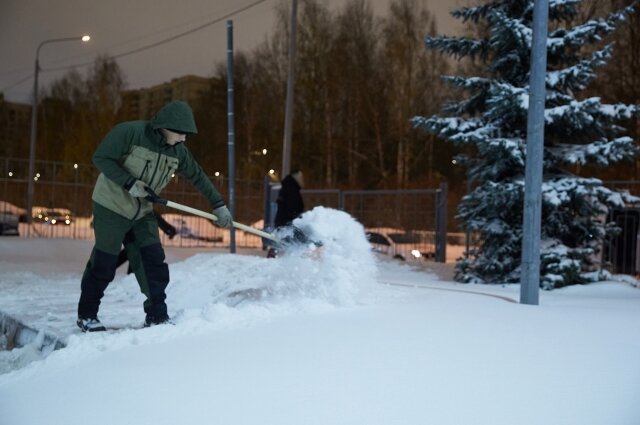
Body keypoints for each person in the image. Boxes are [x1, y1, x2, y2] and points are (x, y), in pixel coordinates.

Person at [76, 100, 232, 332]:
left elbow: (198, 176)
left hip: (142, 211)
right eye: (181, 133)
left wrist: (218, 205)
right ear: (165, 127)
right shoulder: (130, 133)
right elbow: (101, 158)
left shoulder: (178, 151)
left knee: (153, 261)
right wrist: (129, 183)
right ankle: (87, 315)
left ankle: (157, 315)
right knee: (105, 264)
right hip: (111, 206)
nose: (184, 139)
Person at [268, 169, 305, 258]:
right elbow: (291, 207)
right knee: (285, 241)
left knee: (281, 241)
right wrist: (294, 220)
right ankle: (275, 257)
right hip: (288, 222)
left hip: (282, 220)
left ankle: (273, 257)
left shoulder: (286, 188)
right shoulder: (292, 190)